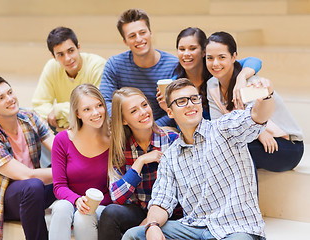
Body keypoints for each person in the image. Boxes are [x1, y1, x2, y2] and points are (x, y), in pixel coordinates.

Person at [123, 78, 271, 240]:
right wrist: (152, 225)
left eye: (194, 98)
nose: (190, 104)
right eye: (181, 101)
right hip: (194, 228)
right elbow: (161, 201)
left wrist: (265, 96)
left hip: (237, 229)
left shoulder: (224, 129)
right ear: (170, 112)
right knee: (134, 235)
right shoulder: (170, 156)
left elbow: (256, 116)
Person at [206, 31, 303, 173]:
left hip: (287, 145)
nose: (215, 63)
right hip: (255, 140)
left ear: (234, 57)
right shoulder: (211, 85)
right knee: (224, 148)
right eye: (210, 58)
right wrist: (258, 134)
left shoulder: (252, 83)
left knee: (237, 151)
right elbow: (218, 125)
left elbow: (255, 120)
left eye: (222, 57)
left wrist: (258, 132)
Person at [0, 76, 55, 240]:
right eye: (1, 97)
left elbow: (57, 147)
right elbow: (28, 175)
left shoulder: (29, 117)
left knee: (68, 168)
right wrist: (69, 171)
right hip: (6, 201)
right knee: (33, 185)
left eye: (10, 92)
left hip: (35, 191)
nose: (10, 99)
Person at [98, 87, 179, 240]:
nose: (143, 112)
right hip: (138, 210)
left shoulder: (172, 140)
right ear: (123, 120)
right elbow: (116, 196)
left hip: (171, 212)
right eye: (134, 111)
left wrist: (151, 219)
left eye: (144, 105)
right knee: (110, 213)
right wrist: (140, 162)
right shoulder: (120, 149)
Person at [49, 84, 112, 240]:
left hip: (102, 206)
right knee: (62, 207)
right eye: (87, 109)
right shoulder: (62, 140)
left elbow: (116, 188)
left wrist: (90, 205)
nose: (96, 113)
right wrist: (77, 200)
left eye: (99, 105)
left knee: (83, 216)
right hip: (71, 202)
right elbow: (59, 186)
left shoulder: (114, 139)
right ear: (77, 113)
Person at [157, 27, 263, 120]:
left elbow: (254, 61)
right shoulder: (176, 84)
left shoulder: (216, 71)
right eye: (181, 49)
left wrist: (242, 77)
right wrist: (170, 109)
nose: (186, 54)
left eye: (192, 48)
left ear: (204, 51)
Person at [99, 8, 179, 127]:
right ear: (125, 41)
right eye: (132, 36)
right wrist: (132, 124)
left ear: (150, 32)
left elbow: (176, 108)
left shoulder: (173, 65)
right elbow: (106, 102)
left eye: (142, 32)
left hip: (161, 129)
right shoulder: (114, 64)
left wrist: (150, 128)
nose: (139, 39)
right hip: (128, 127)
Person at [32, 26, 106, 132]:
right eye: (60, 54)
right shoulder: (51, 67)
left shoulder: (97, 65)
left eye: (70, 51)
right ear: (54, 56)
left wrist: (58, 110)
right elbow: (38, 105)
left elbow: (96, 108)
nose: (67, 58)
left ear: (78, 47)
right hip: (64, 127)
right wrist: (64, 123)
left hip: (95, 127)